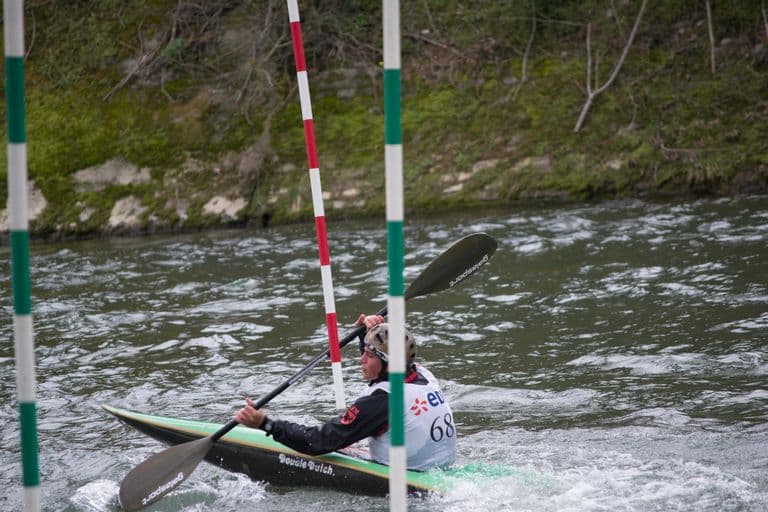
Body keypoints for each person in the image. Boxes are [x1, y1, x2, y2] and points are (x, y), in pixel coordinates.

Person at [235, 314, 456, 471]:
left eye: (368, 356)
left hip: (411, 479)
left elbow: (318, 442)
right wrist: (368, 334)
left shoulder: (381, 403)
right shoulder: (423, 374)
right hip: (440, 470)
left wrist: (266, 424)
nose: (361, 359)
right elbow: (381, 369)